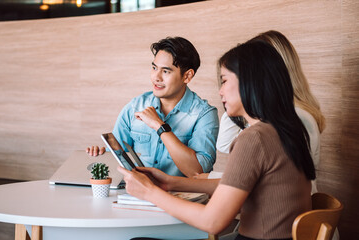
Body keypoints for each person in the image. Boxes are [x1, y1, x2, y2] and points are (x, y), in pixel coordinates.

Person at [118, 40, 315, 240]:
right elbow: (235, 184)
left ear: (250, 82)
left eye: (225, 81)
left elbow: (212, 222)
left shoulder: (254, 139)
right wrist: (170, 183)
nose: (220, 91)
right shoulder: (286, 129)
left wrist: (149, 192)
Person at [199, 31, 325, 194]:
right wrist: (238, 100)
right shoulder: (269, 117)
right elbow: (224, 145)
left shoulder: (295, 117)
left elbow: (273, 182)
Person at [87, 37, 219, 177]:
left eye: (166, 71)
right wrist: (99, 155)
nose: (156, 77)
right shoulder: (135, 106)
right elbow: (115, 159)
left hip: (181, 196)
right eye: (154, 68)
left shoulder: (204, 114)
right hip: (136, 195)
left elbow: (197, 172)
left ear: (187, 76)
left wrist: (159, 126)